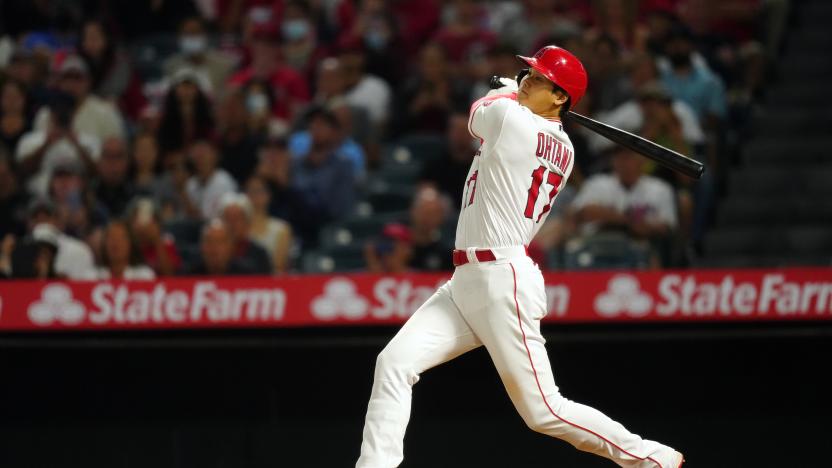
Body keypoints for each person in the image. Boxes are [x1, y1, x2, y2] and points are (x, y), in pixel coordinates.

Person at [355, 46, 684, 468]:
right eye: (526, 73)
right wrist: (517, 93)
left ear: (560, 97)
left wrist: (507, 92)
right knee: (394, 363)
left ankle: (650, 458)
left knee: (545, 411)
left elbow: (477, 112)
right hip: (468, 281)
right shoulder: (560, 144)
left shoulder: (514, 121)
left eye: (539, 78)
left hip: (501, 278)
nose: (527, 78)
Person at [245, 176, 293, 274]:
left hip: (270, 281)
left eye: (259, 191)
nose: (255, 196)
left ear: (269, 195)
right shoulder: (240, 228)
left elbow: (279, 266)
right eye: (251, 191)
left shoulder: (281, 229)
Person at [91, 220, 156, 280]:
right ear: (104, 244)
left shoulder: (144, 275)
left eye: (121, 239)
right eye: (112, 238)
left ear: (130, 243)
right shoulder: (92, 276)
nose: (116, 243)